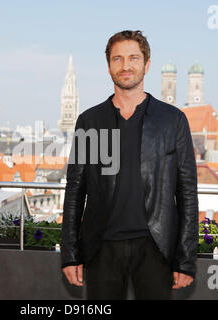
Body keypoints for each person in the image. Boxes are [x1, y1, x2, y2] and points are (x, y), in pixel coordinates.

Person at [61, 30, 198, 300]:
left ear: (146, 65)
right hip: (102, 247)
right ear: (109, 66)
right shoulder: (91, 121)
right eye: (118, 59)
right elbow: (76, 190)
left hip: (156, 247)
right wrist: (70, 254)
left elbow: (187, 194)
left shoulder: (172, 120)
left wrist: (185, 259)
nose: (125, 66)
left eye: (133, 58)